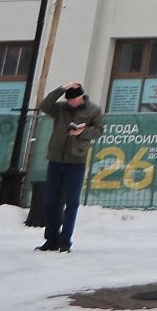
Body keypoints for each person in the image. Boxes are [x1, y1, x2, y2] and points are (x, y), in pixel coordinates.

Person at [35, 80, 104, 253]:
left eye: (73, 99)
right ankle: (51, 239)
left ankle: (65, 241)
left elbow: (99, 130)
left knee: (71, 202)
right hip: (56, 159)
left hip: (76, 160)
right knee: (51, 201)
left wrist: (83, 132)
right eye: (68, 99)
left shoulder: (93, 110)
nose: (70, 102)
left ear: (81, 97)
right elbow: (44, 105)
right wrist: (61, 89)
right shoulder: (60, 108)